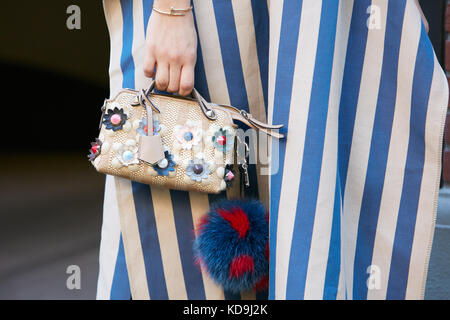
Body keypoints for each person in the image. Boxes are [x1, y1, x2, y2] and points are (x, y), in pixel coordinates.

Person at [97, 0, 447, 300]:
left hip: (326, 16)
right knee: (166, 212)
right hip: (215, 13)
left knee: (319, 181)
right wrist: (172, 9)